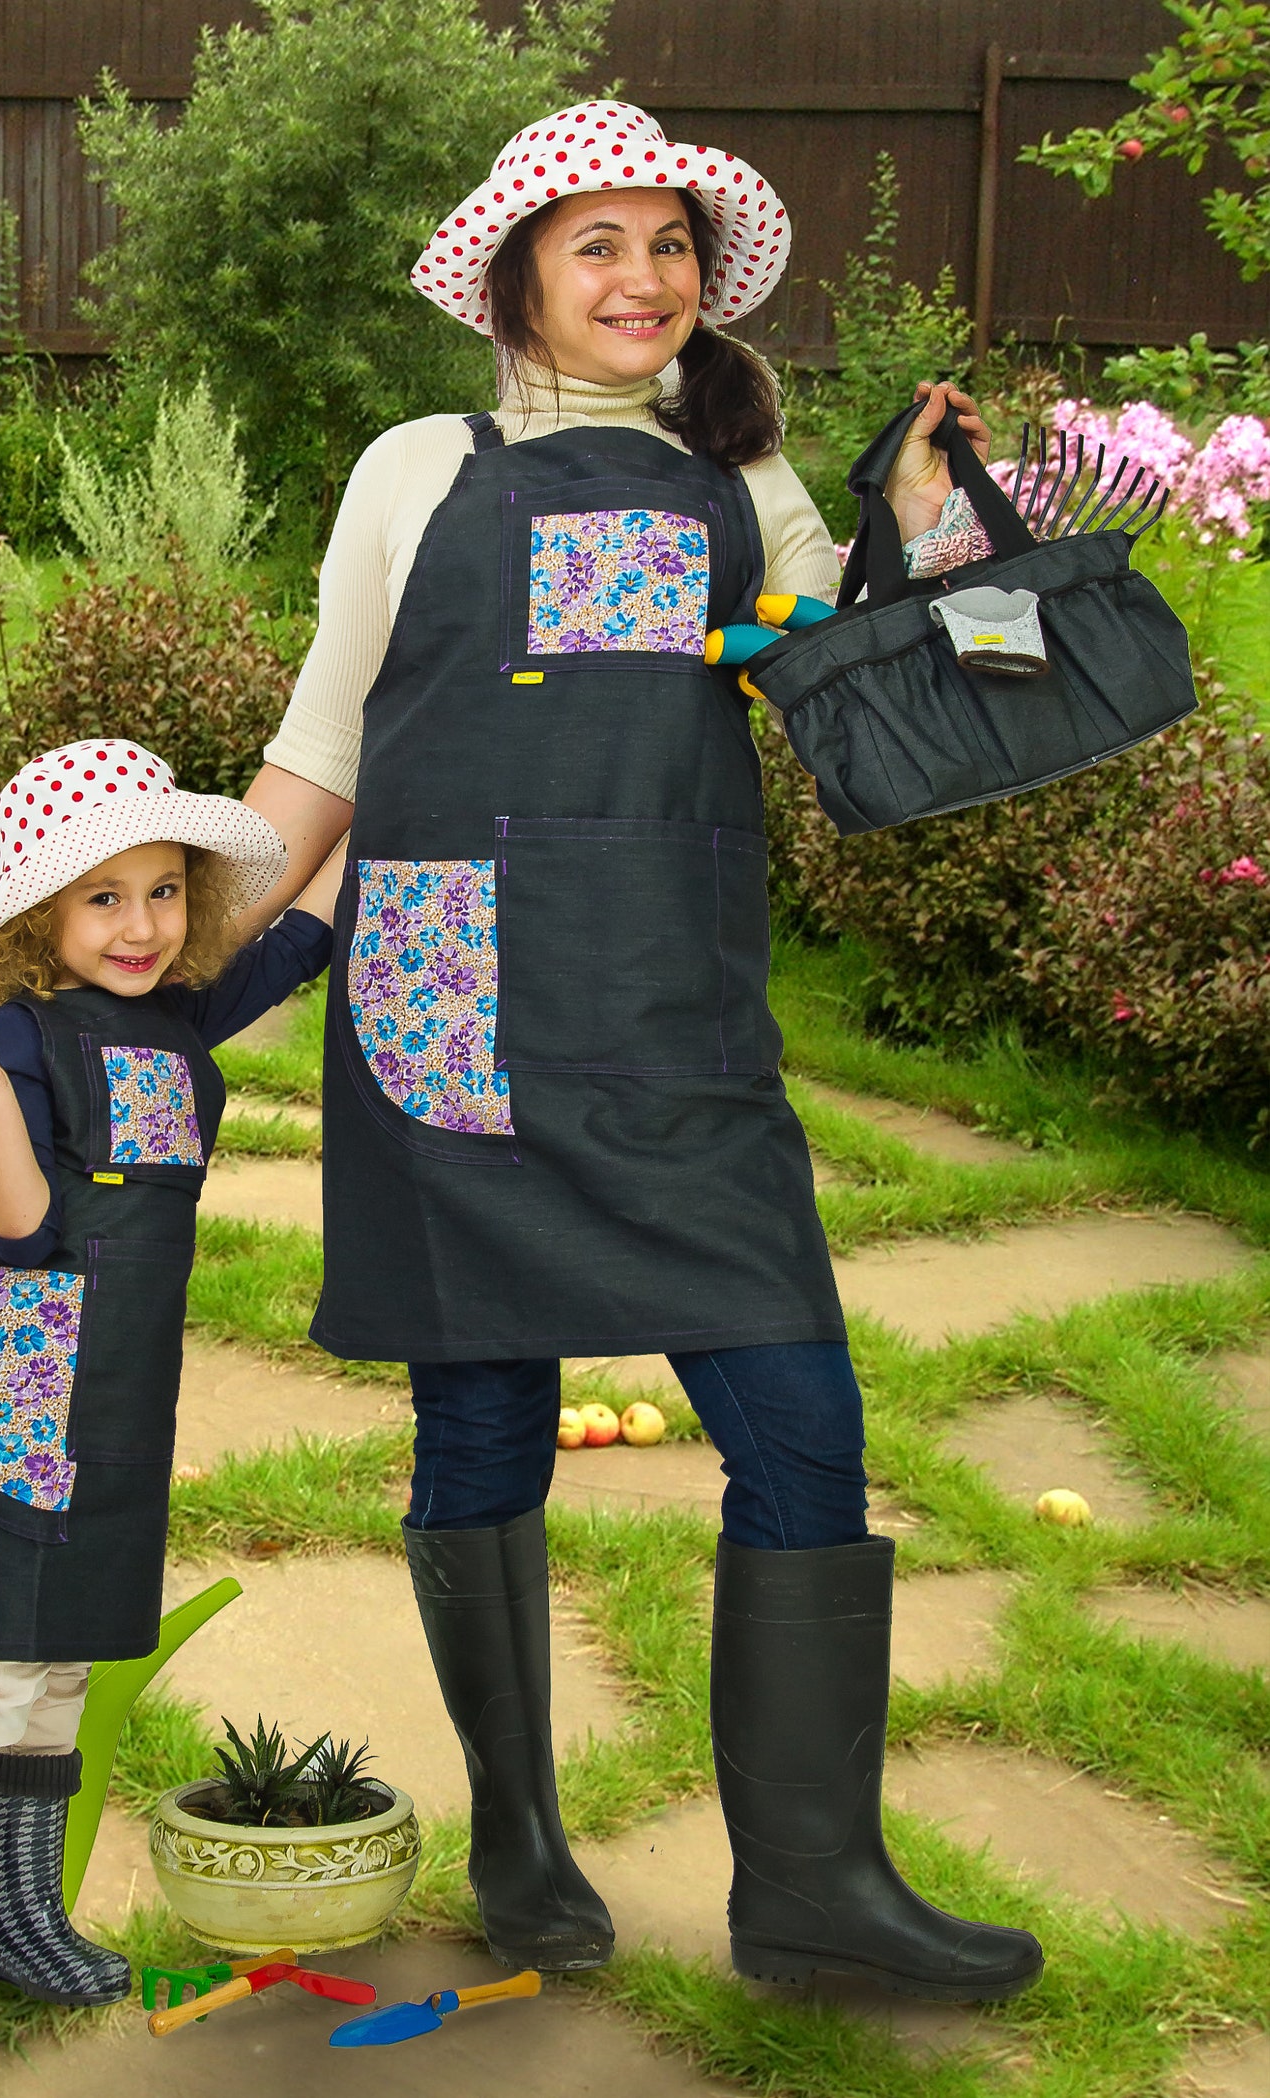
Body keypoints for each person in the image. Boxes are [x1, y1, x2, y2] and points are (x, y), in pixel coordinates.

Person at [240, 102, 1044, 2000]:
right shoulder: (411, 469)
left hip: (670, 1013)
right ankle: (522, 1836)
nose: (642, 278)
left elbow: (866, 678)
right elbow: (328, 748)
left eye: (667, 246)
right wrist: (148, 967)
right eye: (595, 244)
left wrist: (926, 533)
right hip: (451, 1006)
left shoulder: (738, 480)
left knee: (800, 1420)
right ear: (516, 278)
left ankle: (815, 1890)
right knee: (486, 1416)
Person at [0, 739, 344, 2042]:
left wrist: (383, 798)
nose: (141, 925)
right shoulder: (18, 1040)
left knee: (56, 1667)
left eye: (163, 890)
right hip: (27, 1376)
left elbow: (305, 934)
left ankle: (10, 1917)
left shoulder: (175, 1014)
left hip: (123, 1380)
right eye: (103, 898)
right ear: (41, 915)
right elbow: (20, 1225)